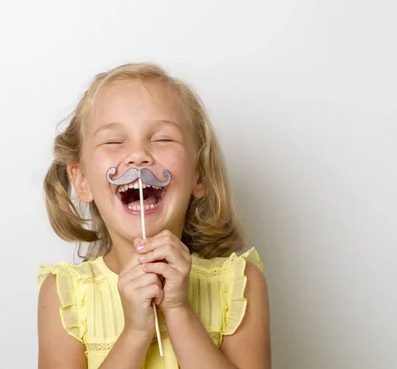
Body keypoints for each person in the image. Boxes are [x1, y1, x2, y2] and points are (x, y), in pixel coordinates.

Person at [37, 63, 271, 368]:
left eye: (162, 139)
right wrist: (134, 333)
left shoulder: (240, 284)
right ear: (82, 181)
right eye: (113, 141)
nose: (138, 156)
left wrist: (179, 311)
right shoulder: (63, 296)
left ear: (198, 176)